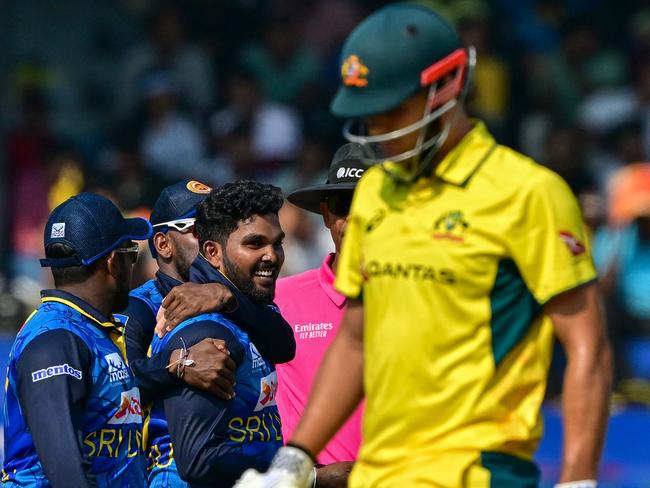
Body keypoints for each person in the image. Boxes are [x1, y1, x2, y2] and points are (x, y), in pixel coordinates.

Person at [237, 4, 612, 488]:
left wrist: (578, 479)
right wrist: (295, 461)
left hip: (479, 473)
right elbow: (355, 340)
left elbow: (589, 348)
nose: (381, 130)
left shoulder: (528, 194)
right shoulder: (377, 196)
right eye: (370, 115)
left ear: (450, 85)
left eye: (394, 110)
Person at [118, 179, 295, 487]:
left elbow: (283, 344)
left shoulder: (238, 295)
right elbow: (117, 390)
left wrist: (227, 298)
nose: (207, 231)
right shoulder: (141, 307)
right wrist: (179, 364)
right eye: (197, 226)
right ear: (163, 244)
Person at [2, 192, 152, 487]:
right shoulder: (55, 341)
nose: (133, 267)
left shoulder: (92, 330)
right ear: (112, 262)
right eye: (130, 254)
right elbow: (67, 470)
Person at [272, 143, 367, 488]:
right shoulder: (280, 299)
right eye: (343, 206)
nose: (355, 218)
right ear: (327, 216)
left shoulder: (420, 301)